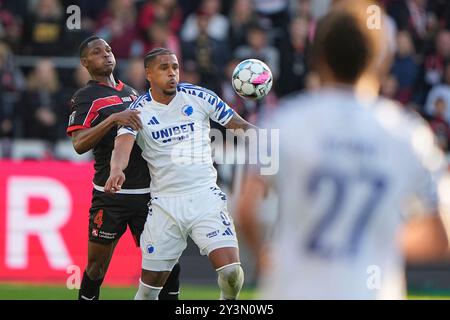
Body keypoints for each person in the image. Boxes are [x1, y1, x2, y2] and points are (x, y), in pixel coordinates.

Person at [236, 0, 449, 299]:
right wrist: (373, 242)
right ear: (379, 58)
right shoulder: (406, 133)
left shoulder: (286, 121)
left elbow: (245, 209)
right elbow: (441, 235)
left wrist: (265, 256)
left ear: (319, 57)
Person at [104, 48, 255, 300]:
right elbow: (122, 145)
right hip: (165, 204)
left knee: (232, 273)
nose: (172, 73)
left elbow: (238, 124)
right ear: (148, 74)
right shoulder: (137, 110)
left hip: (205, 196)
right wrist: (117, 169)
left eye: (174, 67)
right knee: (149, 291)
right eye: (164, 68)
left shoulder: (198, 96)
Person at [66, 36, 180, 300]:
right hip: (111, 196)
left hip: (148, 195)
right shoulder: (85, 97)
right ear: (85, 62)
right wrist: (113, 119)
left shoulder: (132, 92)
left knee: (168, 264)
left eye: (108, 50)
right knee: (96, 269)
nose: (106, 55)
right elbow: (79, 143)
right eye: (97, 52)